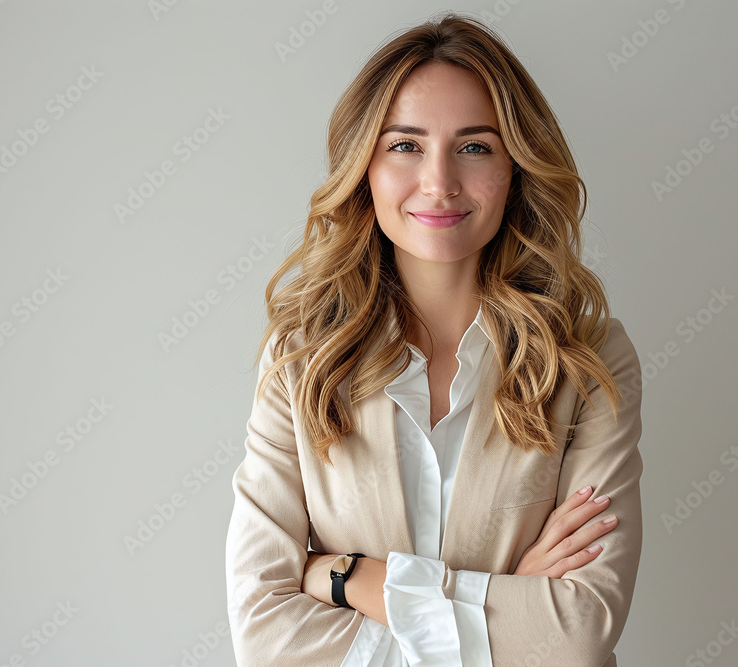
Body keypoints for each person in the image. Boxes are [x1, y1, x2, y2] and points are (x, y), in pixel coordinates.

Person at [224, 11, 644, 666]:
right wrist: (513, 601)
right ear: (365, 165)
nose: (440, 182)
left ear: (516, 167)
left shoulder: (586, 358)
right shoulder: (301, 356)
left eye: (475, 146)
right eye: (405, 145)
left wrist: (343, 577)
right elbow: (263, 634)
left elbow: (579, 632)